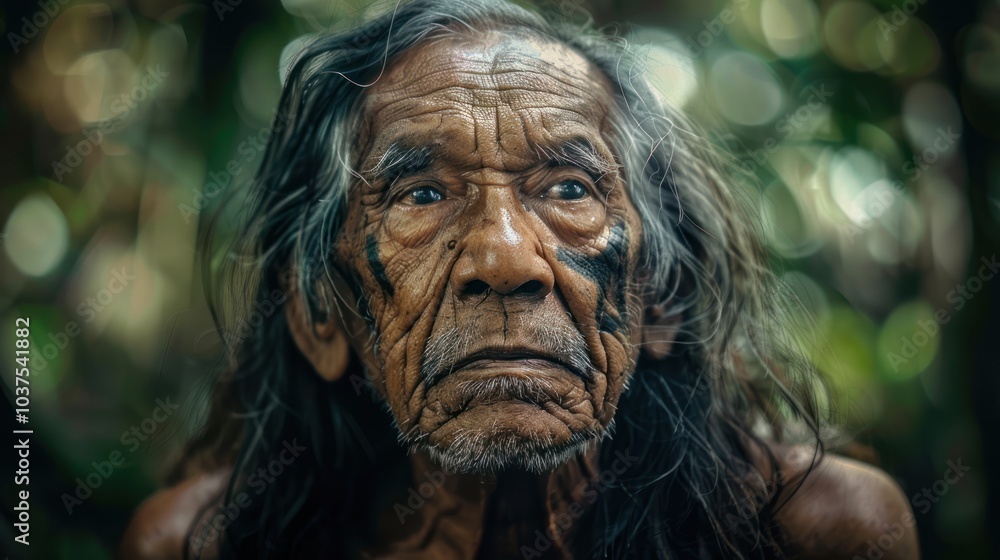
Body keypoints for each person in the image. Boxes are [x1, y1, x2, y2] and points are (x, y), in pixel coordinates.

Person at [120, 0, 918, 558]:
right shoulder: (192, 546)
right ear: (322, 317)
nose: (505, 261)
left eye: (570, 189)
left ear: (660, 300)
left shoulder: (818, 534)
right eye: (422, 194)